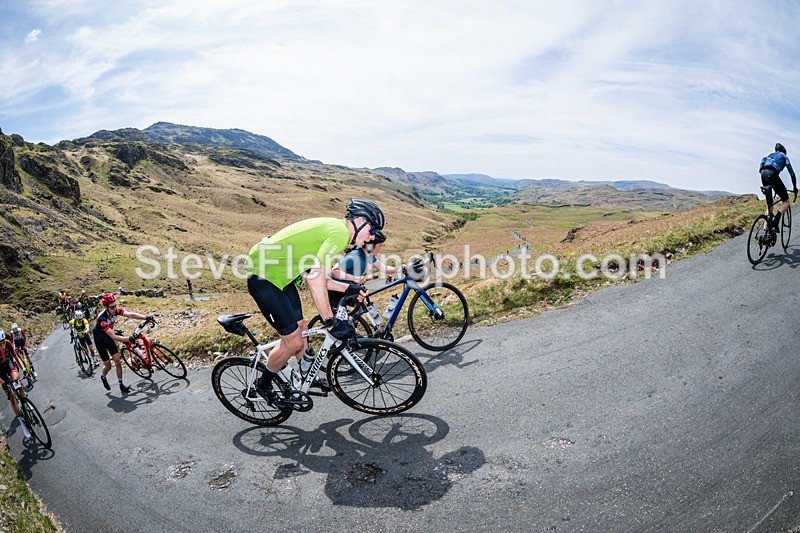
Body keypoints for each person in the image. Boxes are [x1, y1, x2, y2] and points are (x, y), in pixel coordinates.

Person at [246, 199, 384, 404]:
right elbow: (315, 279)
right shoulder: (340, 233)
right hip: (263, 277)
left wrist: (349, 287)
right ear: (360, 221)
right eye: (372, 230)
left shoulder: (337, 230)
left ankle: (304, 377)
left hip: (282, 277)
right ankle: (263, 384)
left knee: (302, 328)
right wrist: (330, 321)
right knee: (293, 341)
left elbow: (321, 275)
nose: (372, 237)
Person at [93, 293, 151, 393]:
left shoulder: (115, 311)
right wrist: (129, 339)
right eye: (112, 307)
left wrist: (146, 317)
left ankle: (121, 385)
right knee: (108, 366)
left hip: (108, 336)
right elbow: (114, 337)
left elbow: (131, 315)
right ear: (106, 307)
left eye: (115, 305)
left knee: (118, 362)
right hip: (100, 341)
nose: (115, 308)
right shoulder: (101, 319)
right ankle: (103, 376)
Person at [0, 330, 32, 444]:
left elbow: (16, 358)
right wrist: (3, 382)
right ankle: (22, 424)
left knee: (16, 379)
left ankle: (25, 401)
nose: (2, 346)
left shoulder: (8, 343)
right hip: (0, 372)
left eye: (3, 343)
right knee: (12, 398)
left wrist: (23, 368)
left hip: (8, 364)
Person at [760, 142, 798, 230]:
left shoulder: (768, 156)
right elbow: (792, 173)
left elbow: (761, 166)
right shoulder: (784, 156)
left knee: (769, 205)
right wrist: (795, 188)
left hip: (763, 174)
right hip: (772, 174)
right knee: (786, 200)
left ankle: (766, 231)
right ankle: (776, 220)